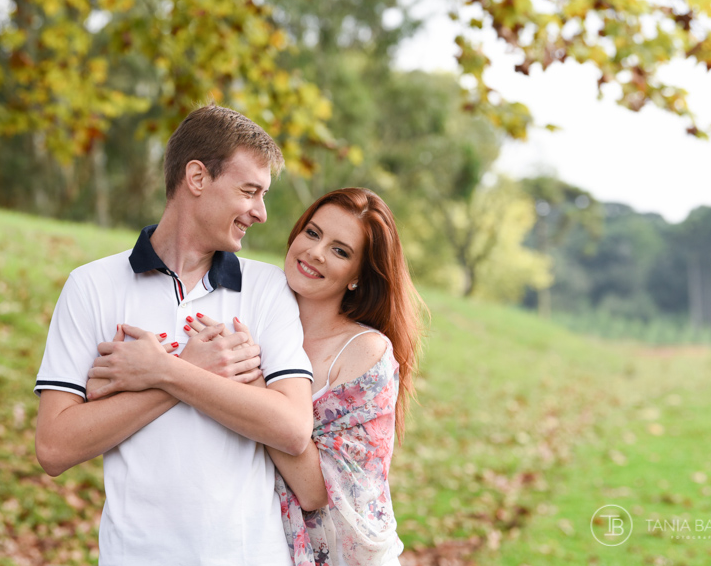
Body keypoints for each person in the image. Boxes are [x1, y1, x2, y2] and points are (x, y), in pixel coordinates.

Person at [33, 105, 314, 565]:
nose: (261, 213)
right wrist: (189, 368)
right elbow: (53, 447)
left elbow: (293, 429)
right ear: (197, 177)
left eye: (262, 195)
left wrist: (164, 371)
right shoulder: (91, 286)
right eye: (249, 191)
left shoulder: (268, 289)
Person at [89, 188, 425, 566]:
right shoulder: (253, 314)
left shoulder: (365, 352)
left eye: (340, 251)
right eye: (312, 233)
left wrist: (251, 380)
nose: (316, 252)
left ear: (357, 276)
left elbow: (315, 491)